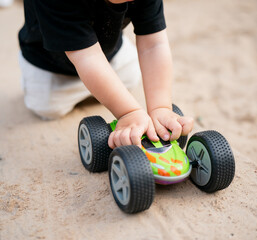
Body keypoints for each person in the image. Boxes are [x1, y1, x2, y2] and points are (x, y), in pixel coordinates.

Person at [18, 0, 194, 149]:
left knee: (132, 75)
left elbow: (153, 45)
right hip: (50, 63)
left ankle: (103, 86)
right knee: (48, 106)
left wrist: (160, 107)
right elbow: (87, 57)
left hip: (106, 53)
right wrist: (129, 112)